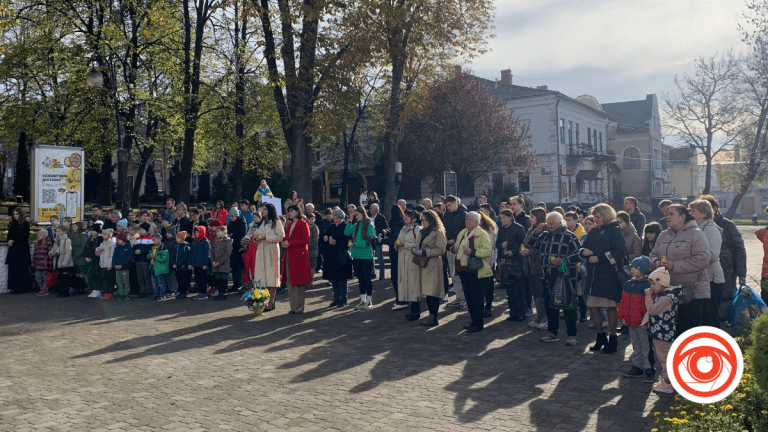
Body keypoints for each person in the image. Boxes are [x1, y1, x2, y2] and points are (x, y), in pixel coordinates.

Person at [649, 204, 711, 335]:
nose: (667, 217)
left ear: (682, 216)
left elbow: (703, 259)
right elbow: (653, 254)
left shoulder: (696, 234)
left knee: (688, 332)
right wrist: (657, 263)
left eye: (671, 214)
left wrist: (674, 266)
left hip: (691, 293)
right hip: (667, 291)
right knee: (670, 332)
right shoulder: (664, 235)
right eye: (666, 214)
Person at [529, 212, 582, 345]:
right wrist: (536, 232)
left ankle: (572, 336)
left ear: (560, 222)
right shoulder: (544, 235)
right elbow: (532, 245)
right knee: (550, 306)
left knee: (569, 307)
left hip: (566, 278)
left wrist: (564, 260)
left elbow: (580, 255)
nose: (550, 225)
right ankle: (552, 333)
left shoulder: (569, 237)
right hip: (546, 277)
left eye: (552, 223)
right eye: (548, 223)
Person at [581, 204, 626, 353]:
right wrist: (583, 251)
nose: (596, 220)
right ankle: (600, 337)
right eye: (594, 217)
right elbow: (582, 247)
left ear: (606, 216)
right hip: (593, 275)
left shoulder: (615, 230)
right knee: (593, 306)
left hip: (609, 275)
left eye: (598, 217)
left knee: (610, 307)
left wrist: (600, 259)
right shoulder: (593, 231)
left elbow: (619, 253)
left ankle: (613, 338)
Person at [700, 195, 748, 320]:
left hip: (726, 270)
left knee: (724, 304)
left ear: (714, 209)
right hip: (704, 272)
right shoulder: (697, 226)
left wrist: (741, 273)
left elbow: (740, 249)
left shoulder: (727, 225)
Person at [643, 267, 685, 394]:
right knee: (665, 356)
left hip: (662, 333)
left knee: (664, 357)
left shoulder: (665, 299)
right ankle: (668, 379)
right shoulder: (667, 295)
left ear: (663, 283)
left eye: (653, 283)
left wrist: (648, 297)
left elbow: (652, 310)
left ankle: (668, 383)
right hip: (663, 330)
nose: (651, 286)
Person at [451, 212, 493, 333]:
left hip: (476, 271)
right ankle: (473, 321)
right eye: (466, 219)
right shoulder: (463, 232)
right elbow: (456, 246)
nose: (467, 222)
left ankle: (478, 324)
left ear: (477, 222)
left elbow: (487, 251)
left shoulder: (482, 234)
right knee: (469, 298)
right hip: (463, 270)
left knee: (477, 298)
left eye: (470, 220)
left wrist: (473, 251)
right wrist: (454, 248)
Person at [406, 210, 446, 326]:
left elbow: (441, 250)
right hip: (422, 264)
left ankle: (433, 317)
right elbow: (416, 244)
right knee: (427, 292)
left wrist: (424, 252)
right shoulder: (422, 232)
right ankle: (431, 316)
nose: (423, 222)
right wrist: (414, 250)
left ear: (432, 220)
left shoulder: (438, 232)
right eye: (422, 220)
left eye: (426, 220)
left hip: (433, 265)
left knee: (432, 292)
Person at [618, 256, 655, 383]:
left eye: (636, 268)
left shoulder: (648, 285)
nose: (632, 269)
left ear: (643, 270)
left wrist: (647, 320)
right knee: (636, 345)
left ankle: (649, 368)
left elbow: (650, 304)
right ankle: (637, 367)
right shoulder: (629, 284)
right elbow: (623, 302)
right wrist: (622, 316)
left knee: (646, 346)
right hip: (630, 321)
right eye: (632, 267)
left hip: (642, 322)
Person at [689, 199, 724, 327]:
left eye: (693, 211)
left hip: (712, 279)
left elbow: (713, 254)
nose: (690, 213)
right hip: (702, 279)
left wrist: (691, 260)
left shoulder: (710, 229)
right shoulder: (697, 227)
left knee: (710, 316)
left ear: (704, 213)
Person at [496, 209, 527, 321]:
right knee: (509, 289)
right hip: (506, 262)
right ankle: (512, 312)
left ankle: (521, 313)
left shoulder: (518, 228)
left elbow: (523, 244)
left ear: (510, 217)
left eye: (504, 217)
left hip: (517, 262)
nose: (502, 220)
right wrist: (501, 245)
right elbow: (497, 244)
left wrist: (513, 251)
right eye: (501, 217)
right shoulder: (501, 229)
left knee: (519, 289)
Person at [253, 203, 285, 310]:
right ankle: (264, 301)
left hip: (272, 251)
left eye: (265, 209)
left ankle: (271, 302)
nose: (263, 211)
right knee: (262, 279)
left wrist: (267, 237)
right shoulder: (261, 222)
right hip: (261, 251)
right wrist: (256, 238)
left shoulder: (277, 222)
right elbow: (256, 234)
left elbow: (281, 236)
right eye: (263, 209)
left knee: (272, 278)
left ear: (270, 210)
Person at [281, 205, 312, 314]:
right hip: (290, 255)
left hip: (299, 256)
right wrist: (284, 242)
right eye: (289, 211)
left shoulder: (303, 224)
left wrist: (290, 244)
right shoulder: (289, 225)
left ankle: (299, 307)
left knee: (299, 283)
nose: (290, 213)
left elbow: (306, 239)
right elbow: (285, 237)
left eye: (292, 211)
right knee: (290, 282)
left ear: (297, 212)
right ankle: (293, 307)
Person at [345, 206, 376, 310]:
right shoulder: (356, 225)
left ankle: (369, 301)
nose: (356, 216)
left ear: (363, 214)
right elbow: (346, 232)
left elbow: (367, 243)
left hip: (366, 256)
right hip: (356, 256)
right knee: (360, 278)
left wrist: (354, 244)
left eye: (357, 214)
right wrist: (350, 219)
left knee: (367, 278)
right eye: (355, 215)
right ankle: (362, 300)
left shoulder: (369, 225)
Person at [523, 208, 548, 330]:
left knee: (541, 294)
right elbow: (526, 242)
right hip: (530, 267)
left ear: (538, 217)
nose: (530, 218)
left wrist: (530, 251)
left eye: (532, 217)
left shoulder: (546, 230)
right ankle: (539, 316)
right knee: (535, 294)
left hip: (539, 267)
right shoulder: (531, 230)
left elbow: (543, 250)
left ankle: (545, 318)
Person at [323, 208, 353, 307]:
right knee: (334, 279)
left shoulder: (345, 227)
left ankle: (343, 299)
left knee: (342, 279)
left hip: (342, 257)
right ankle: (336, 298)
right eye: (334, 218)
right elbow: (325, 235)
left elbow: (349, 241)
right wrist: (326, 237)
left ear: (342, 218)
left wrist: (338, 243)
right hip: (332, 256)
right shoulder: (331, 227)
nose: (335, 220)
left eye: (337, 219)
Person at [443, 195, 468, 309]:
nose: (448, 208)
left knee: (462, 274)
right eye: (446, 206)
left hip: (461, 249)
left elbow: (465, 231)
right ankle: (458, 297)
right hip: (450, 247)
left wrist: (455, 239)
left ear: (455, 203)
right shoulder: (447, 215)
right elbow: (445, 229)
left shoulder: (464, 214)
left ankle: (465, 298)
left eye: (449, 205)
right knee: (453, 274)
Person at [397, 209, 422, 318]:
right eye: (405, 216)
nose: (404, 218)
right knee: (406, 283)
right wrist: (396, 244)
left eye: (407, 216)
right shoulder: (403, 228)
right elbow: (398, 240)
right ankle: (412, 308)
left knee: (413, 285)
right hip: (402, 260)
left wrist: (405, 244)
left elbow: (419, 245)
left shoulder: (417, 229)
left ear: (414, 219)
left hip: (412, 260)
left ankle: (416, 311)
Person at [386, 204, 408, 310]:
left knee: (396, 278)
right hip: (399, 253)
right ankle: (402, 299)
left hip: (396, 253)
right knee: (399, 277)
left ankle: (401, 300)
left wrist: (383, 240)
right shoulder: (401, 223)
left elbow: (396, 240)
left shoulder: (395, 224)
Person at [6, 207, 31, 293]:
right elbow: (9, 234)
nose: (15, 216)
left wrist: (14, 241)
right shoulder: (12, 224)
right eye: (14, 214)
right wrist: (9, 239)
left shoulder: (25, 224)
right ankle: (15, 287)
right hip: (14, 249)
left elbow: (25, 237)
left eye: (17, 214)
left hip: (21, 249)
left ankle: (22, 287)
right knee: (13, 268)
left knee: (21, 268)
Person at [478, 211, 498, 317]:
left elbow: (492, 245)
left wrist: (478, 250)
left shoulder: (489, 229)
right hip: (474, 263)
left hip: (487, 261)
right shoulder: (470, 230)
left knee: (488, 286)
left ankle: (488, 306)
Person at [227, 208, 247, 293]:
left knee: (239, 266)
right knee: (234, 266)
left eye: (233, 216)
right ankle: (235, 284)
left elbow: (242, 234)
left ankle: (240, 283)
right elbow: (229, 231)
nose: (231, 218)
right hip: (232, 247)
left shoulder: (242, 223)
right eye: (231, 216)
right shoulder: (231, 223)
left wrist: (233, 238)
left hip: (239, 247)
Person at [210, 226, 232, 301]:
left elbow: (227, 253)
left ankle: (223, 293)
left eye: (218, 231)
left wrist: (219, 262)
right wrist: (212, 261)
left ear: (224, 232)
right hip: (216, 265)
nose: (217, 233)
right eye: (216, 232)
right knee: (218, 280)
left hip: (224, 265)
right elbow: (211, 252)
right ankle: (220, 293)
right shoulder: (217, 242)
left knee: (223, 280)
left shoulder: (228, 241)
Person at [133, 223, 154, 298]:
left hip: (145, 260)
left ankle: (148, 291)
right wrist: (135, 251)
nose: (141, 231)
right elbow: (134, 248)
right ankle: (142, 291)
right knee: (140, 277)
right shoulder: (137, 239)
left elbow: (150, 249)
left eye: (143, 229)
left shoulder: (150, 238)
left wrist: (141, 251)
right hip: (138, 260)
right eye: (140, 229)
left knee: (146, 276)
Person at [53, 225, 75, 298]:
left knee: (65, 276)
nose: (58, 233)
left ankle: (66, 291)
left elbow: (68, 252)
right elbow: (54, 248)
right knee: (60, 277)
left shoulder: (67, 240)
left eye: (59, 231)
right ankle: (61, 290)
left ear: (64, 232)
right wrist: (51, 252)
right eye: (57, 231)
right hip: (58, 259)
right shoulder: (56, 240)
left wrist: (65, 262)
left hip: (64, 260)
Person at [95, 228, 116, 299]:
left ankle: (110, 292)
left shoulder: (112, 243)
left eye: (104, 234)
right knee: (105, 279)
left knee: (110, 279)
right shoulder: (102, 243)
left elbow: (111, 255)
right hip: (102, 264)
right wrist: (98, 249)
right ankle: (106, 292)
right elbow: (97, 254)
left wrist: (109, 264)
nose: (102, 236)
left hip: (108, 264)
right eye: (102, 234)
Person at [191, 226, 211, 300]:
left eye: (198, 232)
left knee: (203, 279)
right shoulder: (194, 242)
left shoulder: (205, 242)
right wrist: (191, 263)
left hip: (202, 264)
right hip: (196, 264)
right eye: (195, 232)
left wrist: (205, 264)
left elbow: (207, 254)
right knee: (197, 279)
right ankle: (199, 292)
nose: (196, 233)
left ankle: (204, 293)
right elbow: (192, 253)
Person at [369, 204, 388, 280]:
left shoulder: (381, 218)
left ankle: (382, 273)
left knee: (380, 258)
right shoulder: (370, 218)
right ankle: (373, 273)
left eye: (371, 208)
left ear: (376, 210)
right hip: (371, 240)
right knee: (371, 257)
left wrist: (379, 238)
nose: (370, 209)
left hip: (378, 240)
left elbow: (384, 229)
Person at [112, 233, 133, 300]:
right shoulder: (117, 248)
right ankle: (120, 294)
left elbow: (128, 258)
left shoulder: (128, 248)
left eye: (119, 240)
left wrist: (122, 265)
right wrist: (115, 265)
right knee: (119, 282)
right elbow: (114, 257)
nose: (118, 241)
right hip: (118, 268)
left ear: (123, 240)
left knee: (125, 281)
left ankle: (126, 294)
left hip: (125, 268)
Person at [172, 231, 192, 299]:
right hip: (177, 267)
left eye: (177, 238)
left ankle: (184, 293)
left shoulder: (186, 246)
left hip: (183, 267)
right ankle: (180, 292)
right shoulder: (176, 246)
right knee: (179, 280)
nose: (176, 239)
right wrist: (173, 263)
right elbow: (173, 256)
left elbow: (185, 257)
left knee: (183, 280)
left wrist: (177, 264)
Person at [33, 230, 53, 296]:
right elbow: (35, 254)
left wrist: (50, 264)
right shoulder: (37, 244)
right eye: (38, 234)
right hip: (38, 264)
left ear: (44, 236)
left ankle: (45, 289)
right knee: (38, 277)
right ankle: (42, 288)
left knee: (45, 277)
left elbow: (50, 255)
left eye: (40, 234)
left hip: (45, 264)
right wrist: (33, 262)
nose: (38, 236)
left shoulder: (48, 243)